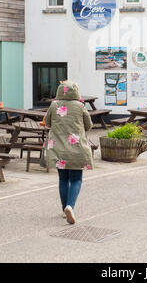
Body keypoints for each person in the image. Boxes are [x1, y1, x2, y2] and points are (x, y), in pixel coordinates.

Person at [45, 80, 93, 224]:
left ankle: (63, 209)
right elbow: (89, 125)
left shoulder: (54, 105)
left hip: (58, 148)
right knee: (76, 179)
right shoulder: (80, 106)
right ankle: (70, 206)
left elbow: (47, 122)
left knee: (63, 179)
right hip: (77, 148)